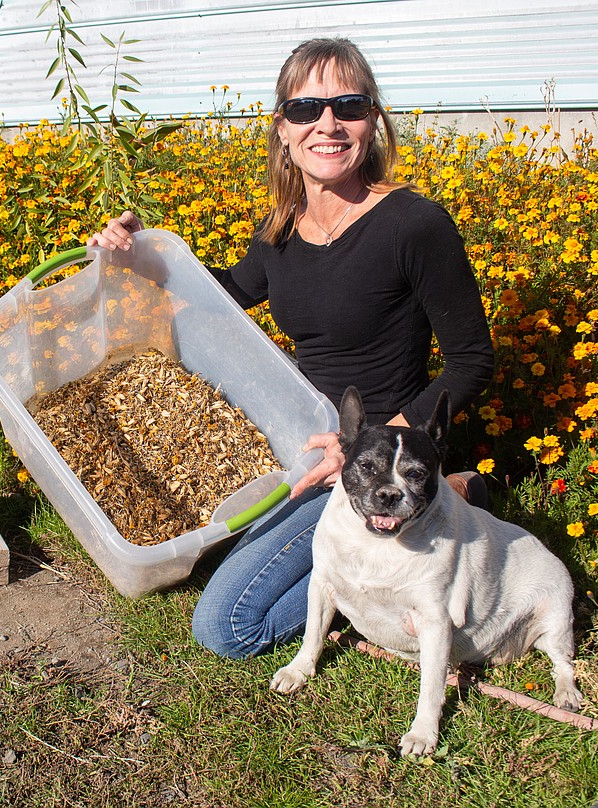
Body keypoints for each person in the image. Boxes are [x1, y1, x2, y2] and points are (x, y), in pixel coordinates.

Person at [88, 37, 494, 659]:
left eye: (348, 106)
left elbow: (472, 362)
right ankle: (416, 525)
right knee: (212, 545)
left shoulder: (414, 224)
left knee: (227, 626)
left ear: (373, 120)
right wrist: (138, 252)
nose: (327, 125)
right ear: (282, 128)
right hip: (299, 446)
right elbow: (222, 294)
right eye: (306, 109)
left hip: (376, 459)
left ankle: (449, 498)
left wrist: (372, 444)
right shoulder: (282, 228)